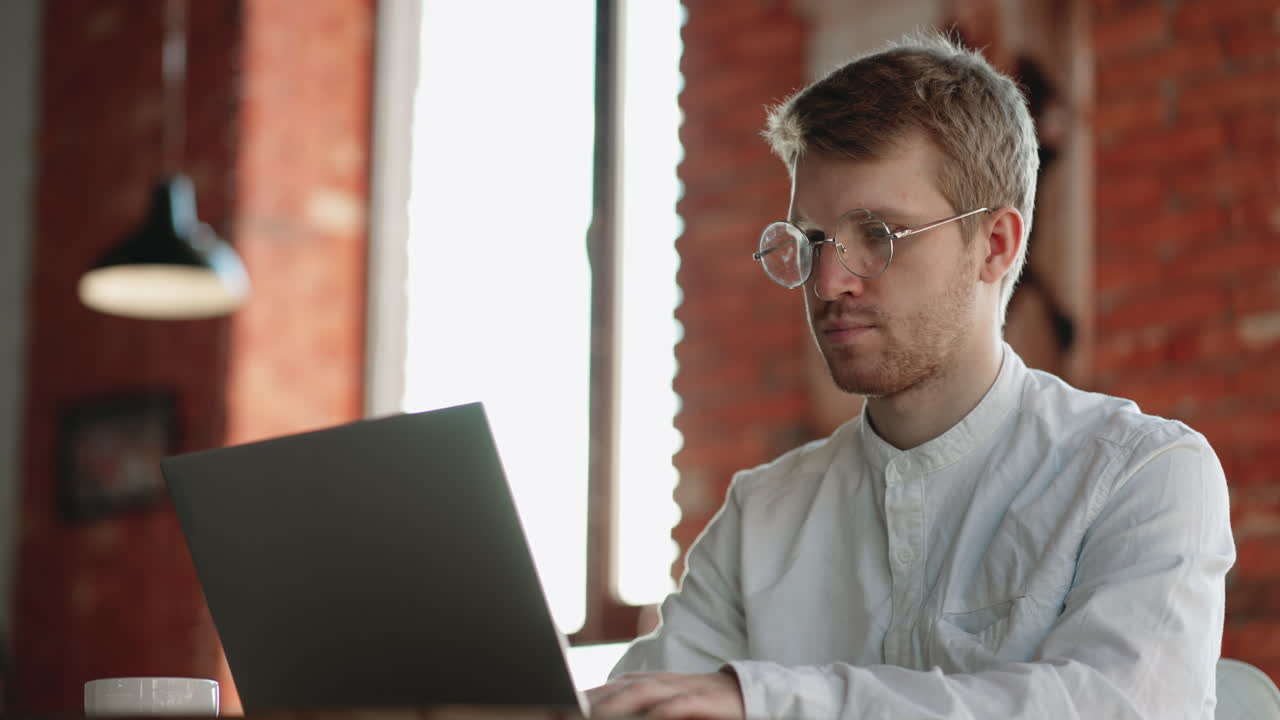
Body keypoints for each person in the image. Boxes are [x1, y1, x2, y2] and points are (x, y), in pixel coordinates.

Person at [586, 30, 1235, 720]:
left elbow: (1112, 709)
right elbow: (650, 705)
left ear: (995, 245)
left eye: (877, 235)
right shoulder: (762, 515)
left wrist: (766, 703)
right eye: (810, 240)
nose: (829, 282)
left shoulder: (1143, 474)